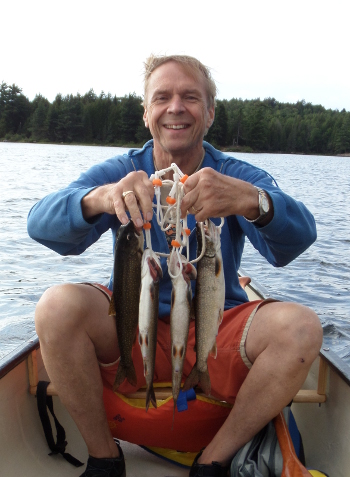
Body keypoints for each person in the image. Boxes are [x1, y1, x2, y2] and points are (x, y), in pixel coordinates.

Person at [27, 54, 323, 477]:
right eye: (162, 97)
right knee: (55, 306)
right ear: (146, 112)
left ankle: (214, 459)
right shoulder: (124, 169)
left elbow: (296, 240)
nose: (176, 107)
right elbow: (41, 223)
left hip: (213, 327)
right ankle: (104, 458)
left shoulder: (236, 174)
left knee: (301, 327)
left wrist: (254, 202)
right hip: (132, 324)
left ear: (210, 112)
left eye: (190, 97)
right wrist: (101, 197)